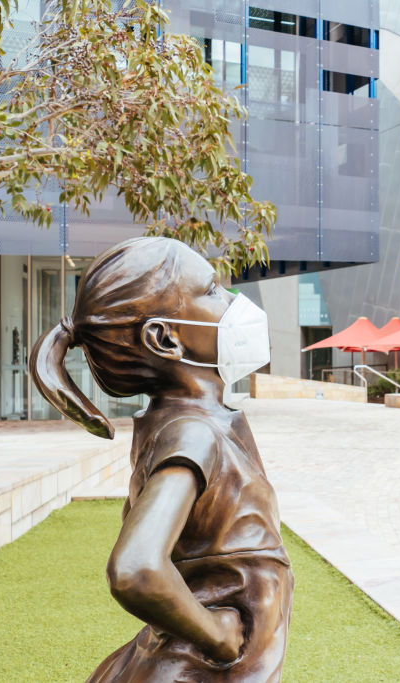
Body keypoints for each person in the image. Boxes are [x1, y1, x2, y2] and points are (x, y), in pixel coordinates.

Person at [29, 237, 292, 681]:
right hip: (192, 669)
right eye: (211, 291)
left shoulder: (190, 421)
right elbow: (135, 568)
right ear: (165, 337)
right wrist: (219, 638)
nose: (231, 302)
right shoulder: (191, 434)